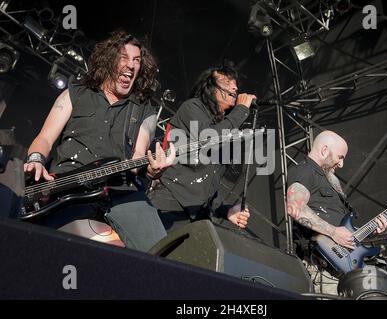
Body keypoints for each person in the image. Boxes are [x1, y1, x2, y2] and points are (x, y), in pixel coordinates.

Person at [24, 30, 175, 252]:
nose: (131, 66)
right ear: (109, 60)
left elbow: (138, 156)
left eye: (136, 61)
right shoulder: (75, 93)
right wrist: (36, 159)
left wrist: (154, 171)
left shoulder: (145, 111)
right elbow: (45, 138)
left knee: (159, 254)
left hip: (121, 189)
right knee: (33, 244)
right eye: (124, 58)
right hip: (68, 184)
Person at [148, 63, 255, 231]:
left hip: (198, 213)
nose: (234, 87)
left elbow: (208, 179)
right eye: (227, 82)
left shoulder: (224, 127)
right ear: (211, 87)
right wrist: (241, 110)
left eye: (235, 83)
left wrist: (225, 210)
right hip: (171, 202)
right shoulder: (192, 107)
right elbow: (209, 138)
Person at [286, 130, 387, 294]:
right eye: (340, 157)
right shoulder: (305, 171)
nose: (341, 164)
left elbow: (343, 231)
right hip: (324, 267)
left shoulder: (330, 181)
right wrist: (333, 232)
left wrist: (369, 233)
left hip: (347, 265)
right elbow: (294, 208)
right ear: (324, 150)